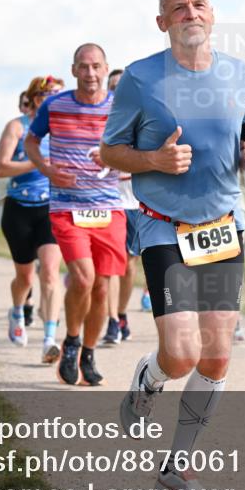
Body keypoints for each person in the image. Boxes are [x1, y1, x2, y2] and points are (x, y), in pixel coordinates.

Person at [101, 0, 245, 490]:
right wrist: (152, 160)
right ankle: (149, 380)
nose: (189, 12)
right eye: (177, 7)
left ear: (212, 15)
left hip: (222, 225)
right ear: (162, 22)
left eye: (198, 4)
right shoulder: (140, 80)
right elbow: (109, 152)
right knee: (181, 353)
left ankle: (178, 463)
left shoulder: (243, 75)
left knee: (216, 356)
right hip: (163, 224)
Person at [27, 46, 125, 387]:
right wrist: (47, 170)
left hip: (108, 207)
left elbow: (136, 150)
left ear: (106, 68)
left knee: (101, 287)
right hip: (67, 206)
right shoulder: (55, 105)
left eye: (96, 66)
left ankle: (88, 351)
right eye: (83, 67)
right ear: (73, 70)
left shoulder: (121, 107)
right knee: (83, 277)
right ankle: (70, 341)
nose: (90, 73)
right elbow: (31, 142)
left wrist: (114, 159)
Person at [0, 76, 65, 363]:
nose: (55, 101)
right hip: (19, 209)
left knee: (50, 272)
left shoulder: (63, 129)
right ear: (36, 99)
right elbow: (0, 167)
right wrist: (39, 163)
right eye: (50, 96)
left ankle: (50, 339)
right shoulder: (17, 126)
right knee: (24, 277)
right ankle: (16, 311)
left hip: (52, 208)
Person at [102, 68, 146, 344]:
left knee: (129, 266)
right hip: (108, 200)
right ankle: (110, 322)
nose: (117, 90)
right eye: (112, 86)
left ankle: (120, 314)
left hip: (136, 201)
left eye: (121, 85)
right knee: (110, 265)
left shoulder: (141, 118)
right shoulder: (101, 120)